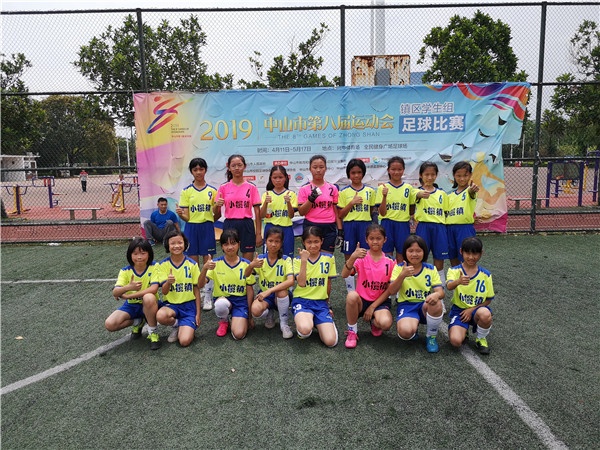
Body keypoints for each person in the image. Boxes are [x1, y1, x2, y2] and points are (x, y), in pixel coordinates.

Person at [381, 235, 445, 353]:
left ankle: (431, 337)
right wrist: (402, 275)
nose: (414, 254)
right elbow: (392, 291)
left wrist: (436, 295)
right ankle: (413, 329)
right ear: (405, 252)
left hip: (424, 305)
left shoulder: (431, 269)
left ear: (424, 252)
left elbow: (440, 292)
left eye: (418, 251)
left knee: (437, 303)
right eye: (410, 251)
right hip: (407, 306)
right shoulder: (399, 268)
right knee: (405, 332)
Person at [341, 224, 395, 349]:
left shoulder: (391, 261)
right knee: (351, 296)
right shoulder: (361, 258)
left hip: (380, 301)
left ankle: (374, 322)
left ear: (385, 240)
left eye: (378, 238)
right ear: (366, 240)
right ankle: (352, 331)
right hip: (361, 300)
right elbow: (344, 274)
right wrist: (352, 257)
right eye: (371, 238)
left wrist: (372, 307)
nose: (375, 241)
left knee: (386, 324)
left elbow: (389, 290)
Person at [176, 158, 218, 311]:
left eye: (201, 169)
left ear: (205, 170)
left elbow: (216, 214)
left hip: (207, 227)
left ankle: (208, 295)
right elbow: (187, 217)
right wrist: (181, 214)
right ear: (191, 172)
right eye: (195, 170)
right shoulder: (186, 191)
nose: (198, 172)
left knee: (208, 262)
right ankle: (196, 294)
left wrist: (217, 207)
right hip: (192, 228)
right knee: (194, 263)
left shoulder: (212, 191)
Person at [199, 228, 256, 340]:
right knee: (221, 304)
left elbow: (250, 290)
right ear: (222, 247)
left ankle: (236, 319)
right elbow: (200, 284)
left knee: (238, 334)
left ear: (239, 244)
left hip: (240, 302)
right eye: (226, 244)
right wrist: (204, 269)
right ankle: (224, 321)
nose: (230, 247)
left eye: (233, 243)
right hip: (223, 299)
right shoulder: (216, 263)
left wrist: (250, 317)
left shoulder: (246, 264)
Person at [105, 237, 160, 350]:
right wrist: (128, 287)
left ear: (149, 254)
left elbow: (154, 289)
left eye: (143, 253)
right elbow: (115, 292)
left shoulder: (154, 266)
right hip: (131, 305)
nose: (139, 257)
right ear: (130, 255)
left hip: (151, 305)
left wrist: (128, 295)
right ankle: (138, 321)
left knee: (149, 297)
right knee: (110, 324)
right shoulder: (125, 271)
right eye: (135, 254)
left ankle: (153, 332)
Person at [446, 237, 494, 355]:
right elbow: (449, 286)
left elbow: (488, 300)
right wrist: (458, 281)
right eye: (467, 253)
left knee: (485, 313)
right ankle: (464, 330)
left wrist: (471, 310)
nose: (471, 257)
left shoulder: (486, 274)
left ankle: (481, 338)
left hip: (477, 311)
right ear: (461, 251)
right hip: (459, 311)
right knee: (455, 341)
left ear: (481, 253)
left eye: (475, 253)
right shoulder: (454, 270)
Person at [292, 226, 338, 347]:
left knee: (331, 342)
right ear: (303, 242)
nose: (313, 245)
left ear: (322, 241)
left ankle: (316, 320)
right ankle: (306, 320)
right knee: (305, 330)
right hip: (302, 301)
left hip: (320, 304)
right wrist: (304, 261)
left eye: (316, 241)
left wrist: (327, 305)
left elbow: (328, 283)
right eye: (309, 242)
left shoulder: (329, 258)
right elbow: (301, 283)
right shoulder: (297, 260)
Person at [154, 230, 201, 347]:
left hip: (189, 307)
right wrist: (168, 283)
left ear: (185, 244)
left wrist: (198, 314)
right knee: (160, 316)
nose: (176, 246)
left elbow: (196, 290)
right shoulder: (163, 265)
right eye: (173, 243)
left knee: (184, 341)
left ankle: (186, 327)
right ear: (167, 245)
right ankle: (176, 325)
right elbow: (164, 291)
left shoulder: (192, 264)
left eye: (179, 243)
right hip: (171, 306)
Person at [246, 226, 295, 338]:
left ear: (281, 243)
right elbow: (246, 275)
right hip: (265, 296)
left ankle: (284, 323)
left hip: (280, 295)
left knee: (282, 291)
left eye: (277, 241)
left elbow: (291, 281)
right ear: (265, 242)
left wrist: (269, 291)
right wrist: (251, 265)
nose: (273, 244)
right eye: (270, 241)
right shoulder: (260, 259)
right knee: (255, 310)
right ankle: (269, 313)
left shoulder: (286, 259)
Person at [375, 156, 424, 263]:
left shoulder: (408, 188)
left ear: (403, 170)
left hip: (402, 224)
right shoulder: (382, 188)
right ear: (388, 170)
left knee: (401, 252)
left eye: (399, 169)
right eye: (393, 169)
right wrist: (384, 197)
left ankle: (400, 273)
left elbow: (411, 208)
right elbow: (382, 213)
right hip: (387, 223)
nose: (396, 172)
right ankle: (388, 273)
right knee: (387, 253)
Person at [338, 158, 376, 292]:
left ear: (363, 173)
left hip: (365, 226)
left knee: (366, 257)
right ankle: (351, 292)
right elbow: (340, 214)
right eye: (353, 173)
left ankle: (365, 290)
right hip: (349, 227)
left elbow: (371, 211)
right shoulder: (343, 192)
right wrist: (351, 203)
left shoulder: (370, 191)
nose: (356, 175)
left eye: (359, 172)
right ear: (349, 174)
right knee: (349, 258)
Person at [215, 154, 262, 261]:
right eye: (233, 165)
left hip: (247, 224)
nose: (237, 168)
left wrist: (258, 234)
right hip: (230, 224)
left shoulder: (251, 187)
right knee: (231, 258)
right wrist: (217, 205)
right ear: (228, 167)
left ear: (244, 166)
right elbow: (216, 211)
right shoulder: (223, 187)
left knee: (248, 261)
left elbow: (257, 212)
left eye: (239, 165)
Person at [413, 161, 449, 286]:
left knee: (439, 258)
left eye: (432, 174)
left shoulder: (442, 194)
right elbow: (414, 198)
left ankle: (439, 288)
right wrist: (419, 194)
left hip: (439, 228)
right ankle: (421, 286)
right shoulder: (416, 192)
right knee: (420, 256)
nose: (429, 177)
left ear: (436, 175)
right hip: (423, 227)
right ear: (421, 175)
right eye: (426, 174)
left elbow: (446, 212)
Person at [297, 155, 340, 254]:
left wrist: (340, 230)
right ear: (310, 169)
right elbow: (301, 212)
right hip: (311, 225)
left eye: (321, 167)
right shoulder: (304, 189)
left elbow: (336, 211)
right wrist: (311, 199)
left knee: (327, 257)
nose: (318, 170)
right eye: (315, 167)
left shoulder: (333, 188)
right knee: (311, 256)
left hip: (329, 226)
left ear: (326, 168)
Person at [447, 161, 480, 266]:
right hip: (449, 229)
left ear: (470, 175)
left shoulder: (470, 191)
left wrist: (472, 190)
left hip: (464, 229)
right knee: (453, 256)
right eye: (459, 176)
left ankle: (468, 275)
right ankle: (455, 275)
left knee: (467, 256)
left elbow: (471, 192)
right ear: (454, 176)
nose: (462, 179)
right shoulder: (449, 196)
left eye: (465, 175)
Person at [260, 165, 297, 258]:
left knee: (287, 257)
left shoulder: (291, 194)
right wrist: (265, 203)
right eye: (275, 177)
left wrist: (288, 202)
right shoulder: (267, 194)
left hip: (286, 228)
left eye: (280, 177)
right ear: (271, 178)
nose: (278, 180)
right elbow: (262, 215)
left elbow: (291, 215)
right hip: (270, 228)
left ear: (286, 178)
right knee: (269, 256)